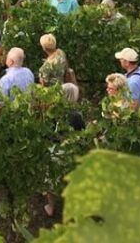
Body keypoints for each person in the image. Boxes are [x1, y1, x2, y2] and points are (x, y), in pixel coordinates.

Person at [44, 82, 85, 217]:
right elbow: (82, 133)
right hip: (70, 151)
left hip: (54, 150)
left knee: (51, 179)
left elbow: (46, 132)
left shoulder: (52, 111)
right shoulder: (77, 115)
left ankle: (50, 207)